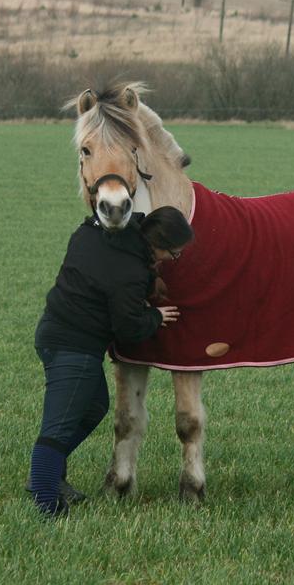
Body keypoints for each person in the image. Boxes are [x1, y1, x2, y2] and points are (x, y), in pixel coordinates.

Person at [28, 206, 194, 518]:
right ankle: (46, 503)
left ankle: (46, 474)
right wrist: (155, 316)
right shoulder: (128, 271)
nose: (173, 260)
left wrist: (147, 282)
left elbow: (106, 274)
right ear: (157, 244)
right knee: (57, 428)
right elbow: (127, 325)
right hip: (73, 347)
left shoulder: (99, 233)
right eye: (174, 254)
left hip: (55, 334)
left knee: (93, 408)